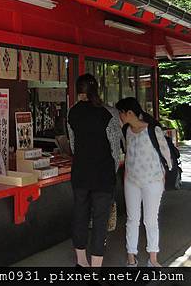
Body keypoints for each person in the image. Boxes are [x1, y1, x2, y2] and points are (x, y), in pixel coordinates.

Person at [67, 74, 121, 267]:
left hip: (81, 172)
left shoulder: (72, 112)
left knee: (80, 215)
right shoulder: (108, 113)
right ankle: (96, 267)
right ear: (96, 89)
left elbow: (73, 145)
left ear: (78, 91)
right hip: (103, 175)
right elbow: (115, 149)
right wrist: (112, 170)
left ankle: (81, 261)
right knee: (100, 220)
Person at [115, 97, 172, 268]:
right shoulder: (127, 131)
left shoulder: (153, 130)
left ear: (130, 113)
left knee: (150, 220)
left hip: (152, 182)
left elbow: (166, 154)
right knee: (132, 219)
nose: (120, 116)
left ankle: (153, 259)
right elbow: (128, 153)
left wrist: (163, 174)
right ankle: (131, 257)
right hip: (131, 181)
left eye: (121, 113)